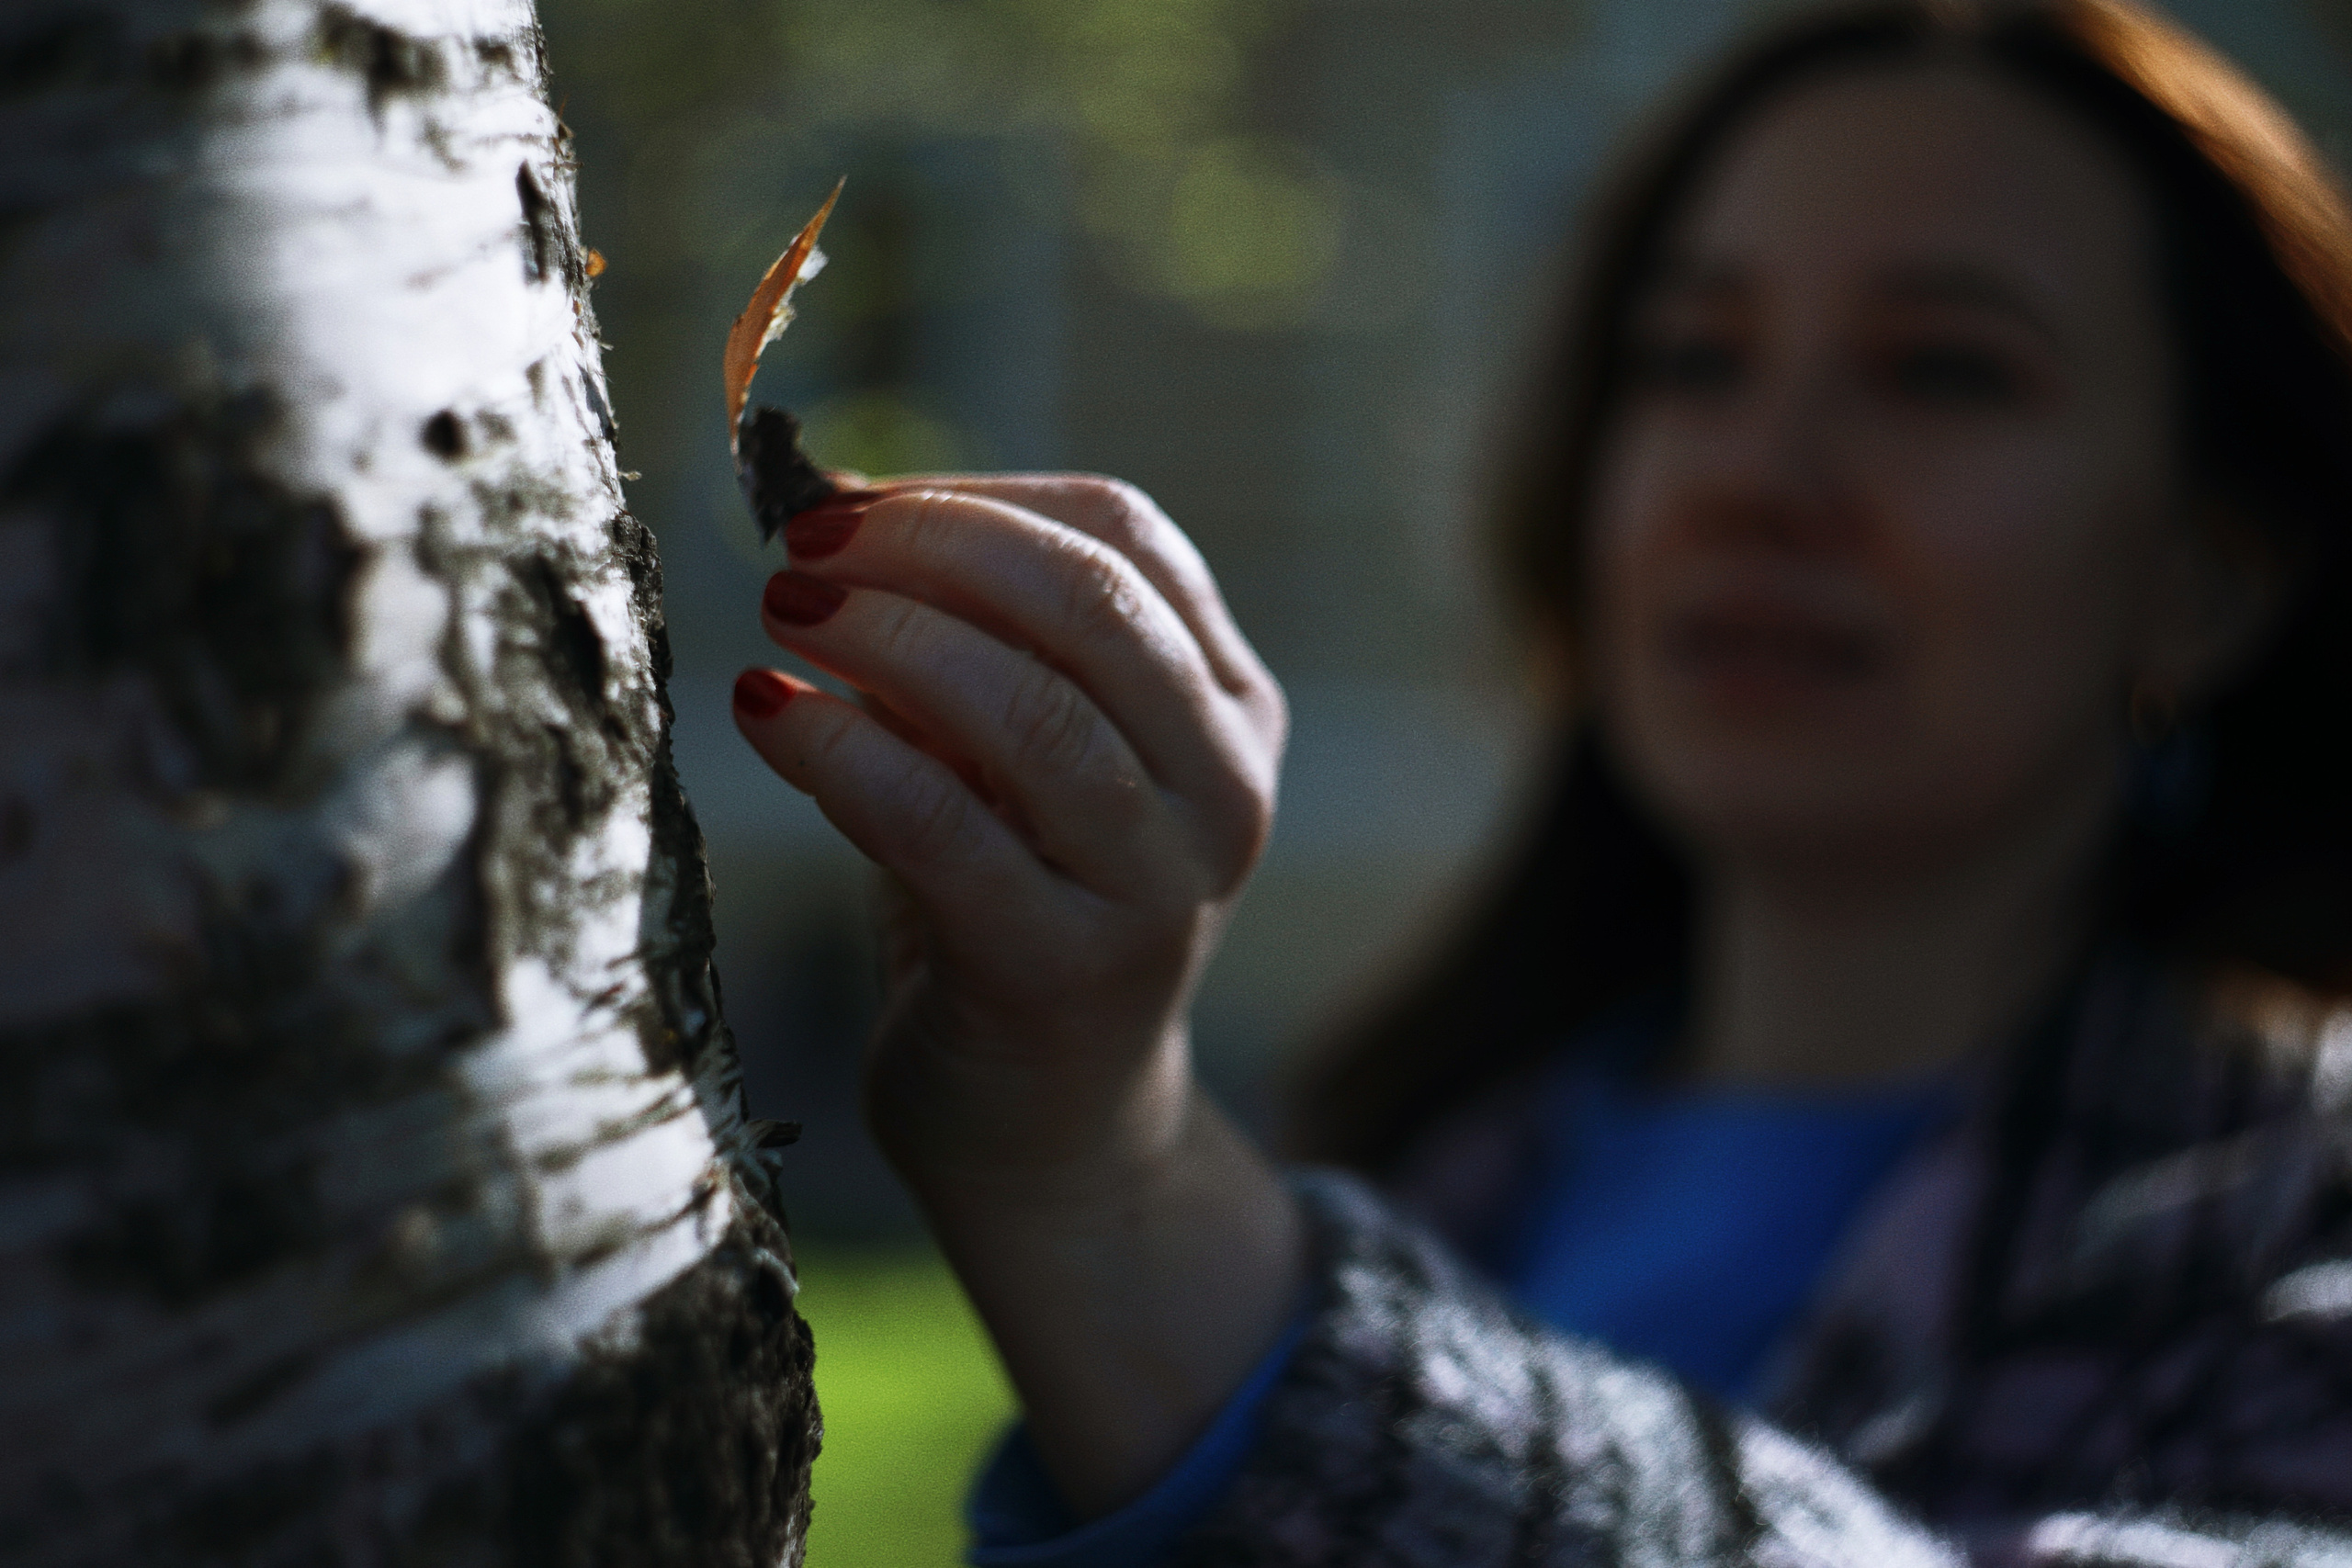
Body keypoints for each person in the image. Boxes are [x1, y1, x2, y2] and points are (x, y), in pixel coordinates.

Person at [729, 0, 2352, 1561]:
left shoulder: (2300, 1223)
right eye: (1692, 357)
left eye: (1943, 369)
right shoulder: (1406, 1147)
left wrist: (1115, 1190)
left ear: (2210, 573)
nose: (1754, 475)